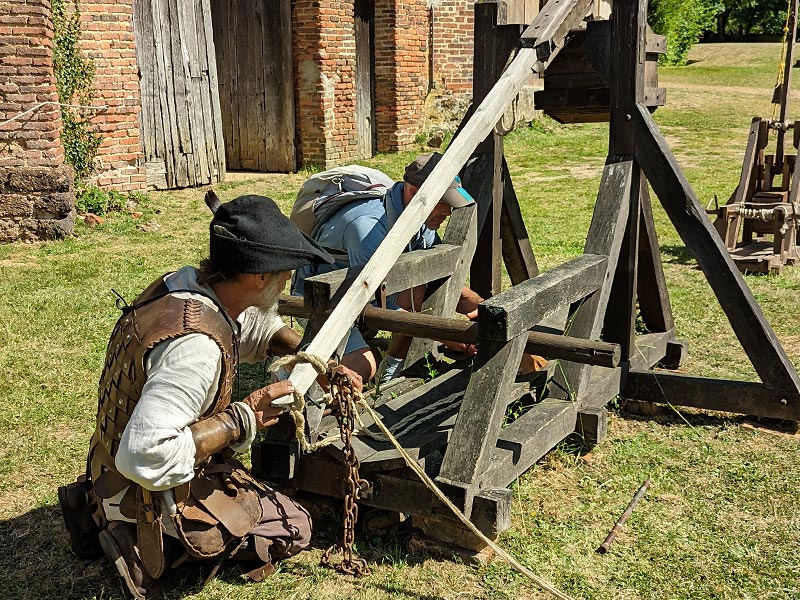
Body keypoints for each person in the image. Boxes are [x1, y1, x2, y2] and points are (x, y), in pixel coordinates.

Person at [63, 195, 361, 599]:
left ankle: (108, 512)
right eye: (284, 271)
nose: (287, 279)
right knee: (291, 526)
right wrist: (243, 419)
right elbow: (143, 453)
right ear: (258, 276)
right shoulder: (196, 349)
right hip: (142, 484)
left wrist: (309, 356)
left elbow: (251, 325)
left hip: (108, 464)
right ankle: (141, 542)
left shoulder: (184, 285)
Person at [292, 152, 546, 385]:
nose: (447, 211)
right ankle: (293, 374)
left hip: (374, 294)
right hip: (324, 301)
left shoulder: (419, 217)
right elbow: (376, 305)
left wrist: (484, 312)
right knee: (363, 368)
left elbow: (437, 279)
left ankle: (390, 368)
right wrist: (452, 336)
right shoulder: (366, 227)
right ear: (414, 192)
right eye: (442, 202)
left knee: (420, 287)